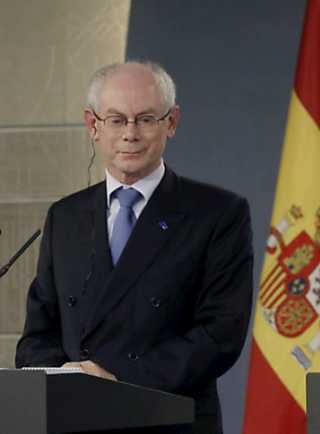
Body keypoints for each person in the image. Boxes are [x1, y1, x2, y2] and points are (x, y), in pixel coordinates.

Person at [15, 61, 254, 433]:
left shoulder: (217, 213)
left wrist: (115, 380)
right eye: (116, 120)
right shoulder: (65, 216)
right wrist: (67, 377)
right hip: (76, 420)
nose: (130, 134)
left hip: (170, 421)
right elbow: (37, 335)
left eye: (145, 119)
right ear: (93, 125)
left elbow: (219, 334)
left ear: (171, 122)